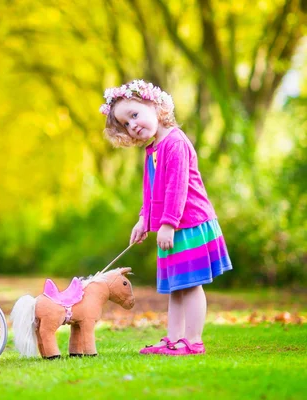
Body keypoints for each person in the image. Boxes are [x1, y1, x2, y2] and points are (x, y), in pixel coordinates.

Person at [99, 80, 233, 356]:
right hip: (170, 225)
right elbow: (152, 190)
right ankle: (174, 338)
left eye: (134, 115)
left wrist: (168, 223)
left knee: (191, 284)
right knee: (177, 286)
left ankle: (193, 341)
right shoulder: (154, 149)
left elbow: (177, 187)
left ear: (156, 107)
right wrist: (143, 220)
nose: (132, 125)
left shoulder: (175, 143)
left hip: (188, 223)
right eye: (125, 123)